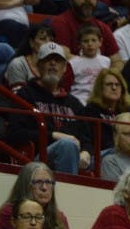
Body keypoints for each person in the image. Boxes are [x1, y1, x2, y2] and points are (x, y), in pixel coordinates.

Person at [8, 42, 93, 175]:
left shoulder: (73, 103)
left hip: (74, 155)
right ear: (38, 66)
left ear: (64, 68)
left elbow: (86, 137)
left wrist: (86, 152)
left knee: (109, 156)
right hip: (38, 159)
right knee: (67, 145)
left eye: (58, 61)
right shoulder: (26, 95)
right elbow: (15, 133)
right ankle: (67, 191)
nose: (53, 63)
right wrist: (54, 136)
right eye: (48, 60)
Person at [79, 67, 130, 153]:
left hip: (126, 153)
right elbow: (85, 139)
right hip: (101, 155)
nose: (114, 88)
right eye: (109, 84)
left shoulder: (128, 112)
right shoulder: (90, 110)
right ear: (100, 88)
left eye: (117, 84)